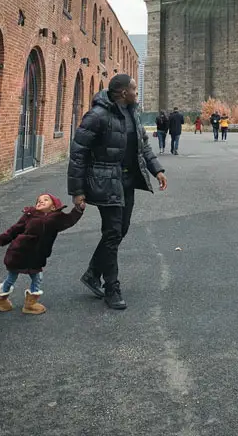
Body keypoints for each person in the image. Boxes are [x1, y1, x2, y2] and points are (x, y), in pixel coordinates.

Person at [67, 74, 167, 310]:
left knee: (121, 230)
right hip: (106, 181)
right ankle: (112, 287)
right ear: (123, 92)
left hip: (127, 182)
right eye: (134, 89)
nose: (137, 92)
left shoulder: (133, 113)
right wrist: (77, 191)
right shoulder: (97, 116)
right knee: (112, 233)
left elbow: (143, 146)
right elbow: (78, 153)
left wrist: (157, 170)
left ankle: (93, 273)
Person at [0, 192, 84, 315]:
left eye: (46, 200)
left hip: (36, 256)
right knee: (11, 277)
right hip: (19, 253)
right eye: (38, 200)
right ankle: (1, 299)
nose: (40, 201)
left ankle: (30, 304)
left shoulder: (57, 218)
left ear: (53, 207)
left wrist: (79, 209)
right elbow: (14, 230)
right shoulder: (29, 216)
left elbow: (70, 219)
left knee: (37, 277)